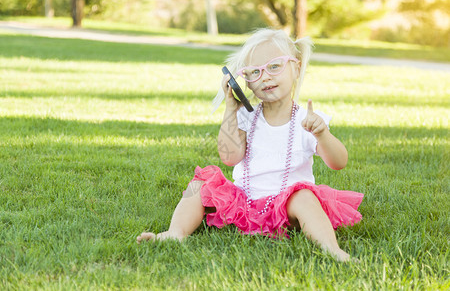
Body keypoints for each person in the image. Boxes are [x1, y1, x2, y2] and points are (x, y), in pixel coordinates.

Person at [137, 29, 363, 262]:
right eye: (255, 72)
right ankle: (175, 232)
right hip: (242, 202)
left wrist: (322, 134)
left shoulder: (309, 120)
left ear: (296, 68)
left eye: (274, 67)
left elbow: (339, 162)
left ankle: (332, 249)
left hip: (286, 206)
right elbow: (229, 157)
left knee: (304, 195)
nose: (265, 77)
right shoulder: (246, 117)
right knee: (200, 184)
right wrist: (230, 109)